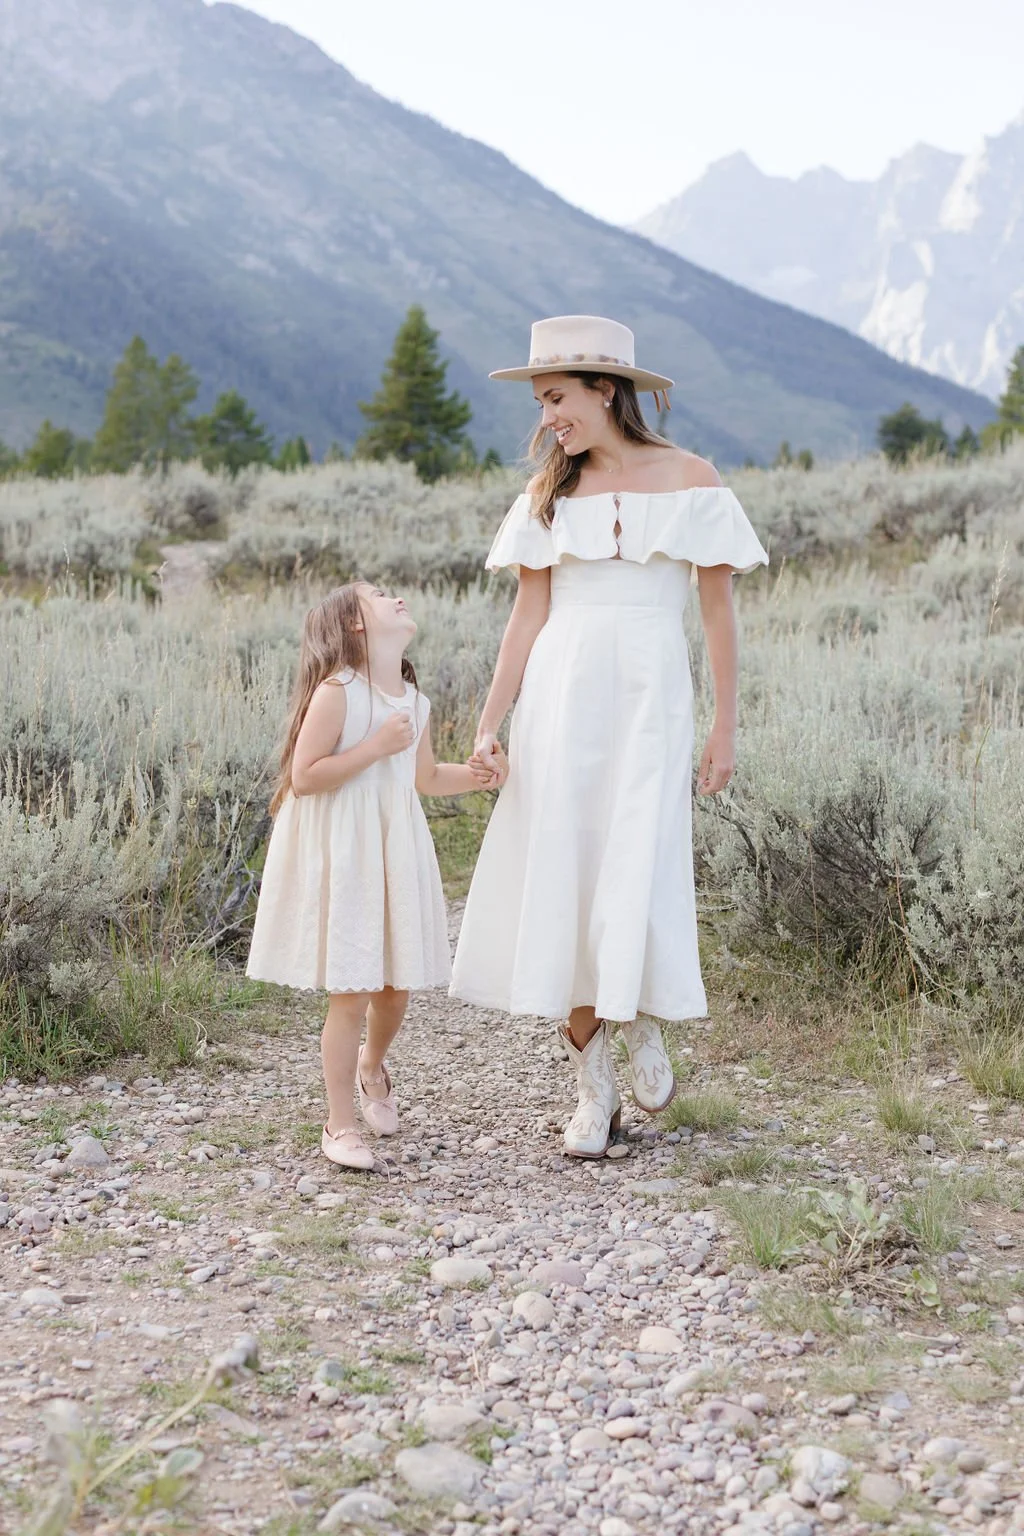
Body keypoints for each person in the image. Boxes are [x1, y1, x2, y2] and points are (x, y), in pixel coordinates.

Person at [451, 316, 769, 1158]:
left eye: (557, 398)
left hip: (650, 698)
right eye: (541, 401)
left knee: (640, 859)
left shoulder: (693, 480)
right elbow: (527, 618)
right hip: (561, 697)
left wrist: (724, 724)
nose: (547, 416)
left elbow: (717, 613)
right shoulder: (547, 494)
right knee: (566, 872)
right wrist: (490, 723)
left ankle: (643, 1024)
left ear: (607, 390)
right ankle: (592, 1089)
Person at [247, 581, 501, 1171]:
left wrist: (485, 775)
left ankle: (372, 1065)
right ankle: (338, 1125)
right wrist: (375, 744)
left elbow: (427, 778)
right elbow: (306, 776)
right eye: (379, 595)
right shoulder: (338, 692)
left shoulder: (414, 699)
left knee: (395, 986)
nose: (397, 597)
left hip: (393, 846)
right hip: (346, 851)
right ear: (355, 625)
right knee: (352, 990)